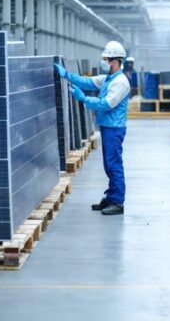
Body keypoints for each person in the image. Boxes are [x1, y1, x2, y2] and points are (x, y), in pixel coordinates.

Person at [54, 41, 131, 216]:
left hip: (114, 128)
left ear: (115, 60)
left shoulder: (120, 82)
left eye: (106, 59)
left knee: (114, 165)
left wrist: (84, 99)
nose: (104, 61)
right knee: (109, 165)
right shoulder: (108, 79)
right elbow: (88, 82)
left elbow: (106, 104)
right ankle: (111, 197)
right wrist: (67, 75)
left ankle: (118, 202)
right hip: (107, 127)